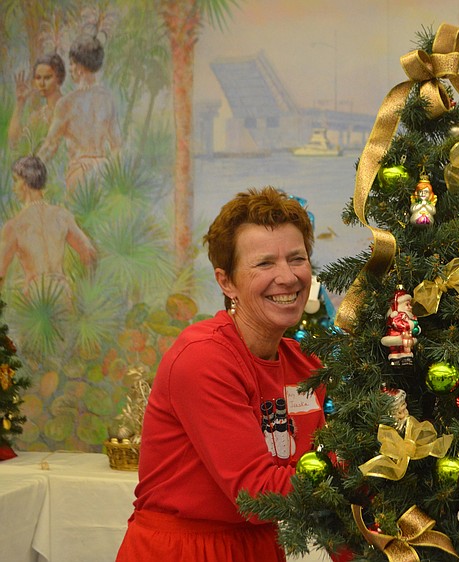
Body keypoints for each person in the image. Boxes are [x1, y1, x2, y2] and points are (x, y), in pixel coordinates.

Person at [116, 187, 331, 562]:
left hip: (262, 547)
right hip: (185, 551)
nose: (287, 276)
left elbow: (327, 474)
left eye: (297, 258)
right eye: (265, 263)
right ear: (226, 282)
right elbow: (257, 496)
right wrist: (358, 470)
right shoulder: (204, 358)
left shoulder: (306, 366)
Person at [37, 34, 121, 193]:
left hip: (79, 174)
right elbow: (117, 147)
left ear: (80, 67)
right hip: (104, 173)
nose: (70, 69)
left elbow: (50, 145)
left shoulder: (67, 103)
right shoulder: (107, 99)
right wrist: (112, 177)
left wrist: (32, 170)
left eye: (71, 63)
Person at [0, 156, 96, 291]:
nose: (14, 188)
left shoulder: (15, 226)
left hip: (35, 295)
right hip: (62, 293)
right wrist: (87, 289)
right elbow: (89, 252)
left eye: (16, 181)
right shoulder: (62, 216)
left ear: (25, 183)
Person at [8, 53, 66, 148]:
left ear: (59, 78)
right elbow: (14, 143)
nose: (42, 83)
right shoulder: (38, 116)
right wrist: (20, 102)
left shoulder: (69, 107)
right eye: (38, 78)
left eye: (47, 78)